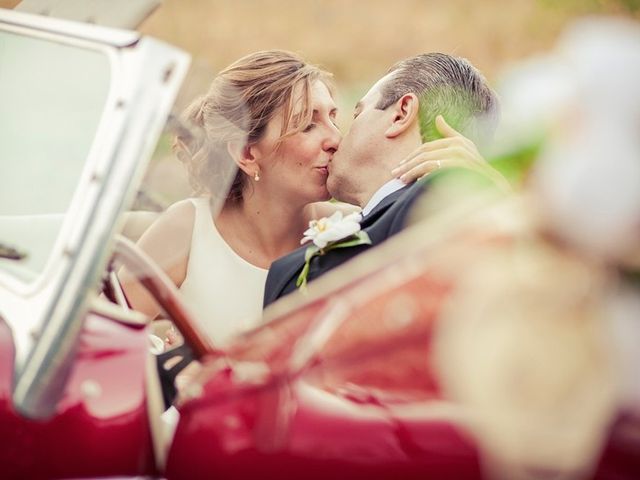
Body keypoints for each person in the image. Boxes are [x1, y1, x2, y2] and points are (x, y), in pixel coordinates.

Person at [120, 50, 482, 346]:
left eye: (333, 117)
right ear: (247, 154)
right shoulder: (187, 229)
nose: (335, 139)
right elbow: (102, 340)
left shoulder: (351, 229)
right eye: (308, 125)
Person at [263, 52, 501, 307]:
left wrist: (491, 193)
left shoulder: (440, 209)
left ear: (401, 113)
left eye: (357, 114)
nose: (336, 139)